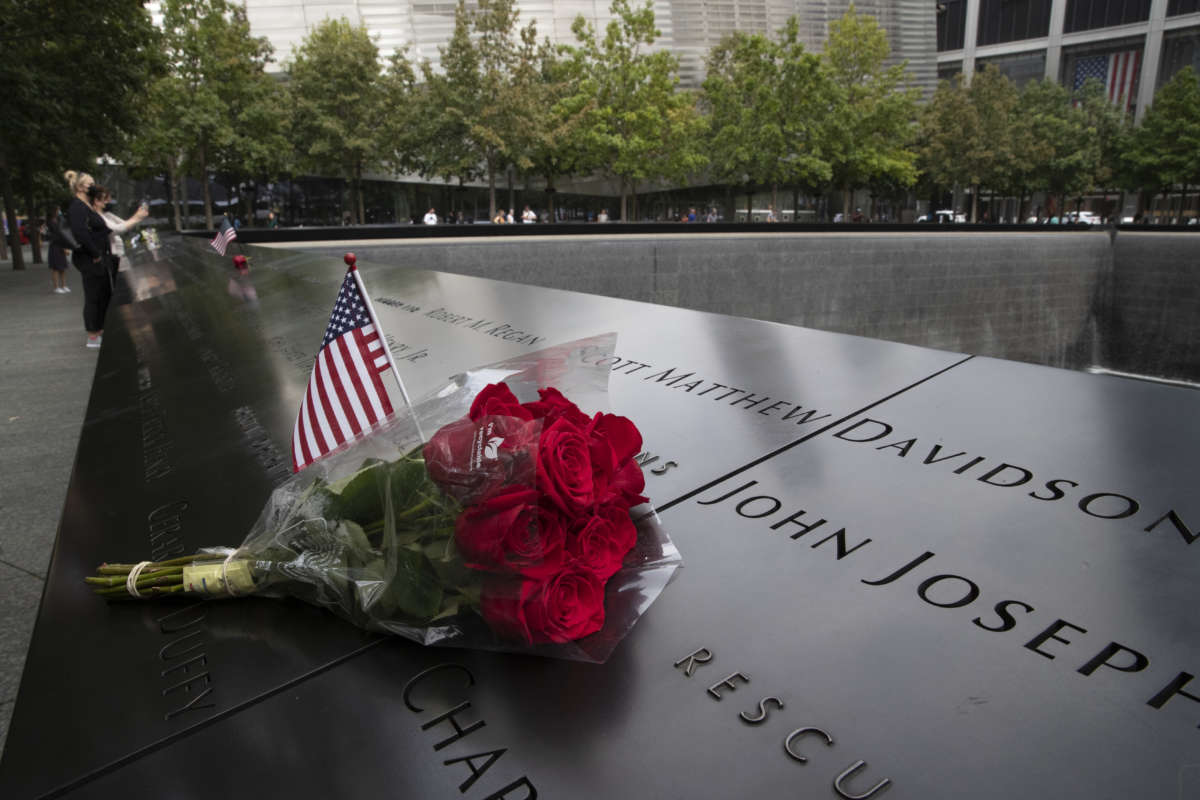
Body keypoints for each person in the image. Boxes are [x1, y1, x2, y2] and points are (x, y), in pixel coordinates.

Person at [65, 170, 112, 349]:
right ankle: (92, 335)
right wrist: (95, 254)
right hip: (90, 258)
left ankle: (99, 329)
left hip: (97, 256)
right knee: (93, 295)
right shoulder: (77, 206)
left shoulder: (86, 205)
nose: (93, 187)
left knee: (101, 294)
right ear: (79, 187)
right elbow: (80, 233)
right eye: (89, 184)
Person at [94, 187, 149, 276]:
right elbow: (116, 229)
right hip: (112, 257)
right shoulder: (97, 218)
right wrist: (137, 217)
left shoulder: (108, 215)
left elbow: (125, 225)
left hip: (120, 256)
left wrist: (138, 215)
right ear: (96, 201)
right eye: (105, 198)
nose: (108, 201)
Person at [44, 207, 73, 294]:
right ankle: (56, 287)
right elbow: (56, 236)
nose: (59, 212)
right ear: (54, 212)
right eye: (58, 210)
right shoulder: (50, 223)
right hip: (55, 246)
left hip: (61, 245)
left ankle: (64, 285)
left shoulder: (58, 221)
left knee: (63, 267)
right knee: (56, 268)